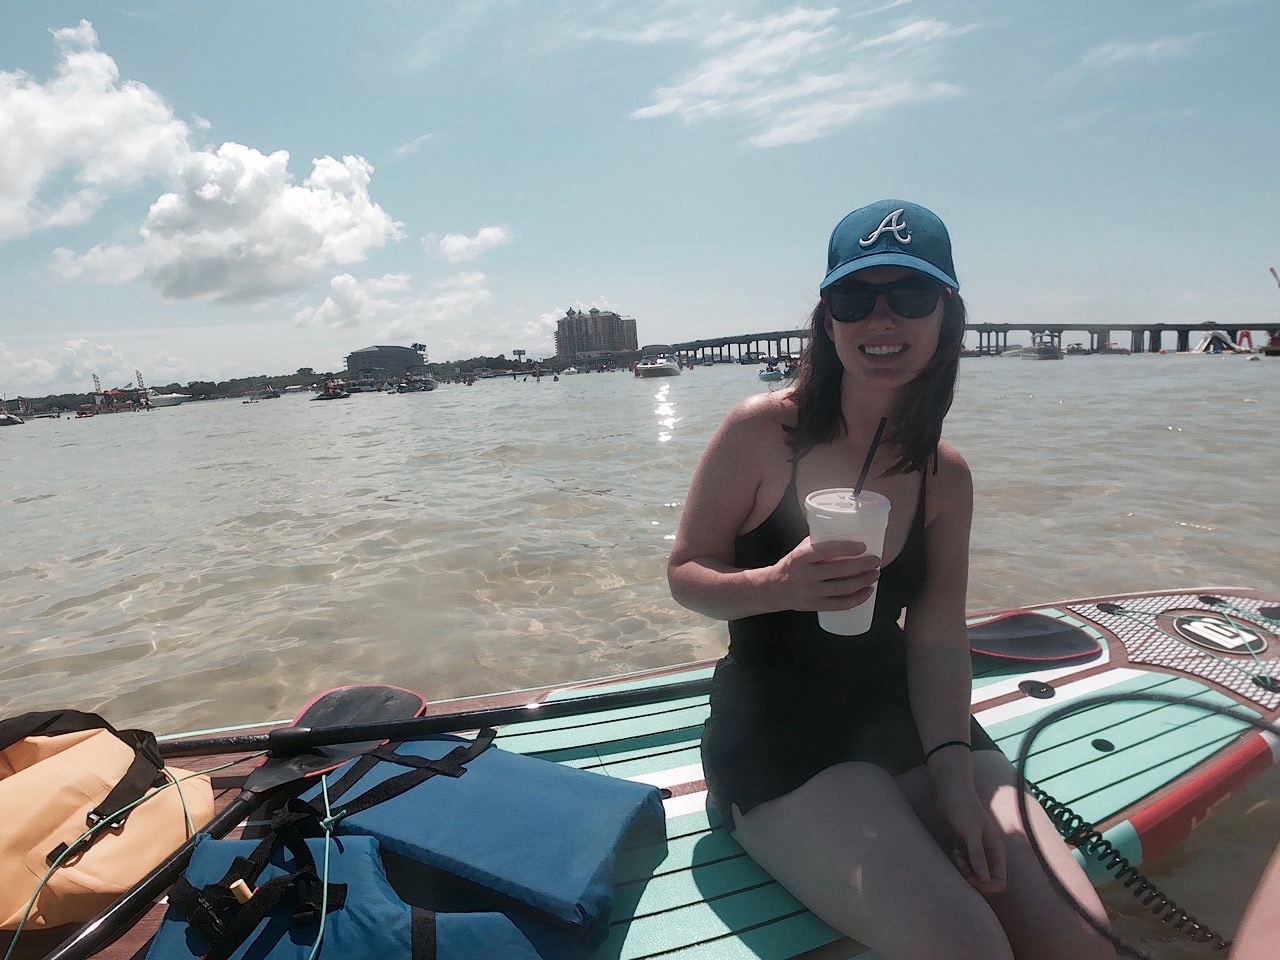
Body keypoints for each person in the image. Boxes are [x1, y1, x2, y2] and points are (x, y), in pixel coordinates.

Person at [667, 200, 1113, 960]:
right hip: (779, 728)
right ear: (827, 317)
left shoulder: (946, 474)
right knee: (971, 948)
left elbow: (938, 635)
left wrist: (952, 777)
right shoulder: (758, 431)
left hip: (902, 710)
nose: (882, 319)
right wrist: (776, 584)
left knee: (1080, 941)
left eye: (909, 296)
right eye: (855, 297)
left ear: (946, 313)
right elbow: (686, 574)